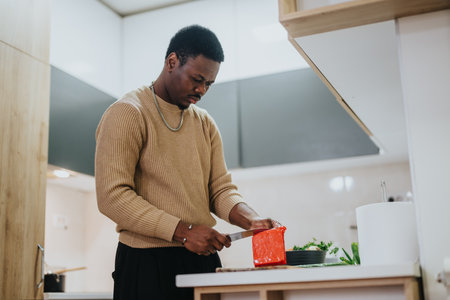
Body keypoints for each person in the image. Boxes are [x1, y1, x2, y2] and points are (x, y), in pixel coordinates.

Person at [95, 24, 279, 300]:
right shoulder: (127, 113)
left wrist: (251, 220)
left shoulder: (204, 123)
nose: (201, 90)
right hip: (146, 264)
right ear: (172, 62)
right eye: (197, 79)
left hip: (202, 261)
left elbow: (220, 190)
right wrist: (184, 232)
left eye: (209, 84)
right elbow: (112, 196)